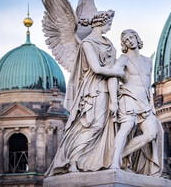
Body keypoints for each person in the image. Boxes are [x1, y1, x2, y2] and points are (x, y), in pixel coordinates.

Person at [45, 10, 125, 176]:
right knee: (92, 125)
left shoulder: (109, 44)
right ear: (100, 23)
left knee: (104, 127)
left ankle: (96, 161)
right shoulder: (87, 43)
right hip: (93, 89)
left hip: (108, 88)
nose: (109, 28)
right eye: (109, 24)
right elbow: (96, 68)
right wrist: (118, 73)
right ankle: (73, 160)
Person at [109, 29, 163, 177]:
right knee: (126, 128)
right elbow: (113, 77)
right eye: (126, 40)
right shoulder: (123, 59)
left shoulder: (148, 61)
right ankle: (114, 162)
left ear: (137, 38)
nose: (129, 41)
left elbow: (147, 84)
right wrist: (113, 101)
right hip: (129, 98)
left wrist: (151, 104)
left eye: (131, 37)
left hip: (145, 102)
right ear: (124, 45)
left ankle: (120, 155)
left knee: (151, 134)